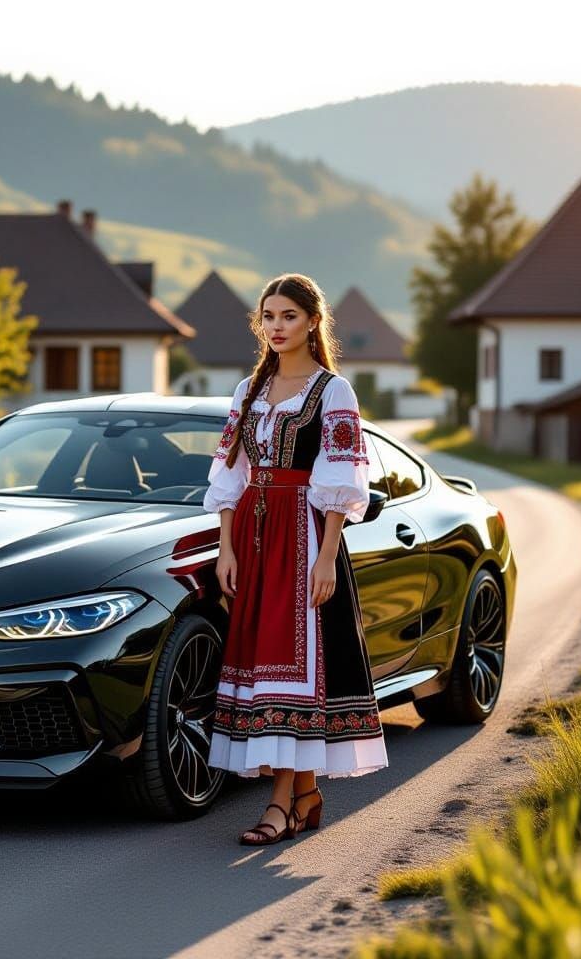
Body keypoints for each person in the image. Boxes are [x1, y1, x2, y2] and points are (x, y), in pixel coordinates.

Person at [203, 273, 388, 846]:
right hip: (255, 544)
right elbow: (229, 476)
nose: (276, 326)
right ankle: (304, 796)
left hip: (304, 537)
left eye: (288, 315)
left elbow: (341, 479)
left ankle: (281, 803)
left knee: (295, 676)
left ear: (312, 321)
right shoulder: (247, 392)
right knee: (268, 676)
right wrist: (226, 548)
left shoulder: (333, 392)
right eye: (268, 316)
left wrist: (327, 558)